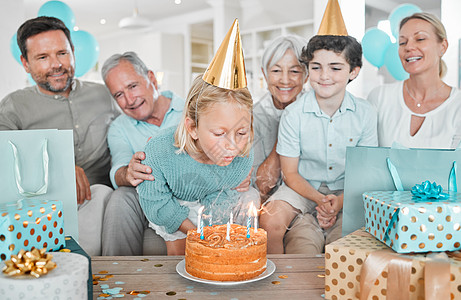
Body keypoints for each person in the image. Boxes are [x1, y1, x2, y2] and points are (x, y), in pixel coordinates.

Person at [0, 16, 119, 256]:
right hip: (43, 208)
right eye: (42, 57)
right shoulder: (13, 106)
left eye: (62, 53)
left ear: (73, 52)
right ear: (25, 63)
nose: (56, 64)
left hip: (101, 200)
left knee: (103, 194)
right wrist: (61, 169)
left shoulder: (104, 95)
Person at [260, 33, 378, 254]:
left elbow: (365, 173)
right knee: (270, 220)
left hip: (347, 190)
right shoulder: (293, 114)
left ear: (353, 71)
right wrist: (320, 200)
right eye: (316, 67)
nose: (324, 76)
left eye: (335, 68)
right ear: (308, 71)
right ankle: (277, 280)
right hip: (303, 186)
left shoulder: (365, 113)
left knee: (345, 242)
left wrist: (338, 202)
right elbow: (290, 173)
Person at [137, 75, 254, 255]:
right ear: (192, 128)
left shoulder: (242, 156)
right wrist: (194, 232)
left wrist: (211, 232)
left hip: (211, 201)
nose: (232, 145)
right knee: (181, 253)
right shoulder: (158, 151)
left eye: (241, 132)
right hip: (170, 202)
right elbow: (157, 203)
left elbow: (223, 195)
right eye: (219, 133)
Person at [100, 52, 185, 255]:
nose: (130, 99)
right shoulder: (119, 128)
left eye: (132, 86)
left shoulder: (192, 110)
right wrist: (127, 173)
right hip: (149, 198)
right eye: (119, 95)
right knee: (120, 197)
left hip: (195, 191)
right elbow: (118, 169)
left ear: (152, 79)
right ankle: (116, 278)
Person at [368, 12, 461, 149]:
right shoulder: (379, 98)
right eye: (402, 42)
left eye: (420, 39)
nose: (409, 47)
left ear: (443, 47)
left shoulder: (457, 105)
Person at [253, 35, 308, 201]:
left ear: (306, 75)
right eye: (276, 71)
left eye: (294, 71)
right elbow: (261, 187)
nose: (285, 80)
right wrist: (287, 129)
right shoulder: (251, 118)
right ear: (265, 73)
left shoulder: (315, 111)